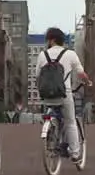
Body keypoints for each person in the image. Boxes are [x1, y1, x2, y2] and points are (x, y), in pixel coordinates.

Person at [34, 26, 89, 165]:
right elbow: (81, 73)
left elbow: (37, 76)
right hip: (65, 94)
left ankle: (51, 136)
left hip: (47, 96)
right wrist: (88, 82)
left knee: (52, 114)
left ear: (51, 40)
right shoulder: (70, 54)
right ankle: (75, 154)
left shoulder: (42, 55)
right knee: (70, 122)